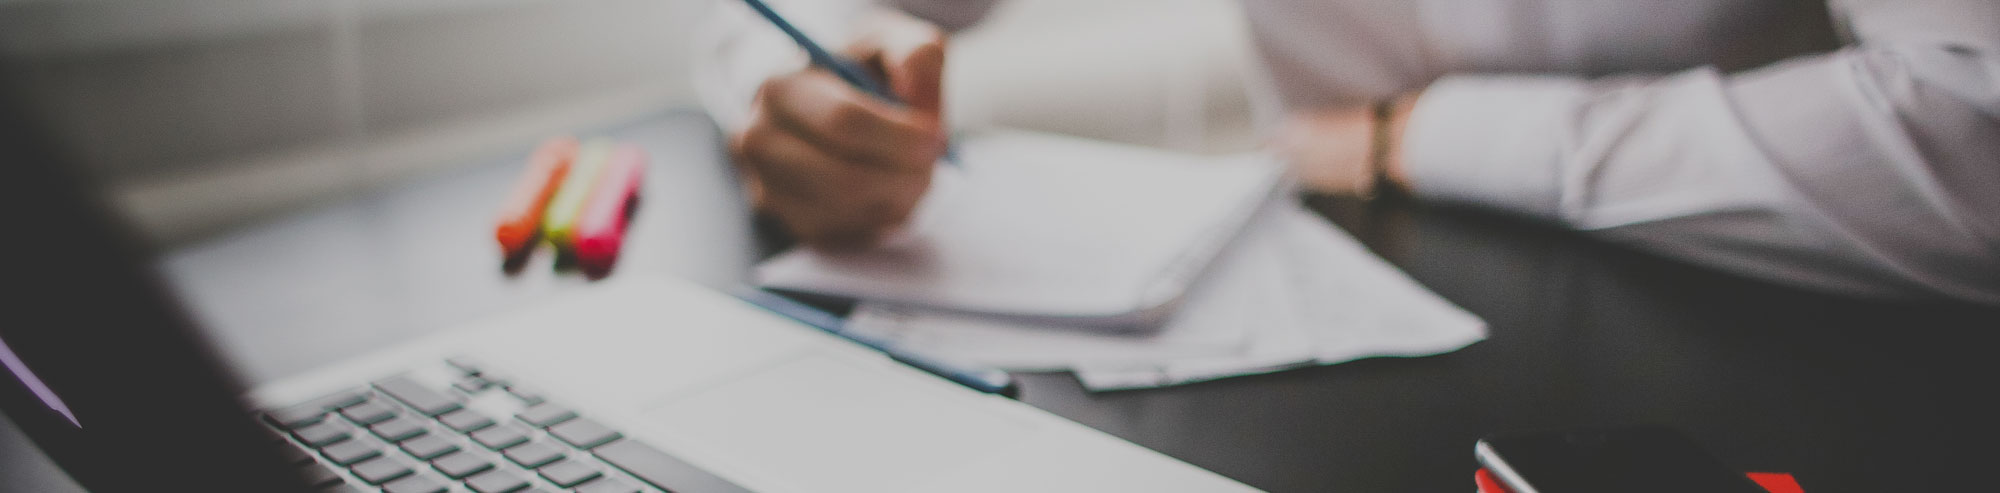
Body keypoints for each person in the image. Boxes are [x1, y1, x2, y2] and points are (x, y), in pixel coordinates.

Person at [697, 0, 1998, 304]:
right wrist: (796, 79)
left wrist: (1421, 134)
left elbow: (1973, 128)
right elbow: (805, 14)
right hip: (1343, 320)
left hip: (1777, 331)